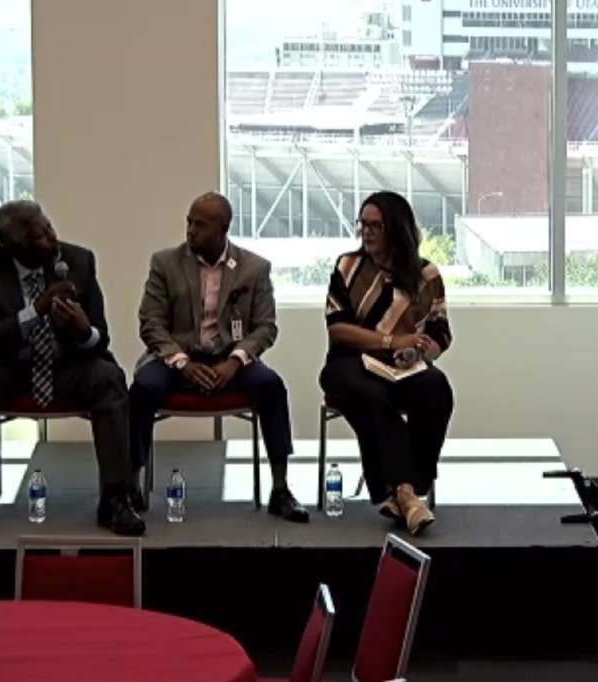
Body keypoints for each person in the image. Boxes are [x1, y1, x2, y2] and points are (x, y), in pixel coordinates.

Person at [0, 200, 144, 536]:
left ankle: (115, 497)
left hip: (66, 368)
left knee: (109, 377)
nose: (54, 239)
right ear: (16, 247)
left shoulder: (78, 260)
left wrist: (83, 331)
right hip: (8, 371)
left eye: (50, 227)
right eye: (43, 236)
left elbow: (100, 339)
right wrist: (34, 311)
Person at [130, 192, 308, 522]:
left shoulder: (254, 268)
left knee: (271, 386)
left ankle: (280, 488)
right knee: (142, 387)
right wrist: (182, 363)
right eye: (189, 222)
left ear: (223, 228)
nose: (190, 230)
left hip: (231, 358)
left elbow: (266, 327)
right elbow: (150, 324)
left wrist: (235, 361)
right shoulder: (165, 263)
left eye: (200, 224)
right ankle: (132, 484)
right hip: (177, 356)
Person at [319, 191, 453, 536]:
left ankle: (403, 491)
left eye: (375, 225)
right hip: (349, 363)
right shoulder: (348, 267)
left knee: (436, 388)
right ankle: (407, 494)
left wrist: (419, 351)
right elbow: (338, 330)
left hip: (402, 366)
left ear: (397, 229)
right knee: (372, 395)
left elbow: (440, 333)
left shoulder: (426, 274)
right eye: (363, 224)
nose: (367, 232)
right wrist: (391, 341)